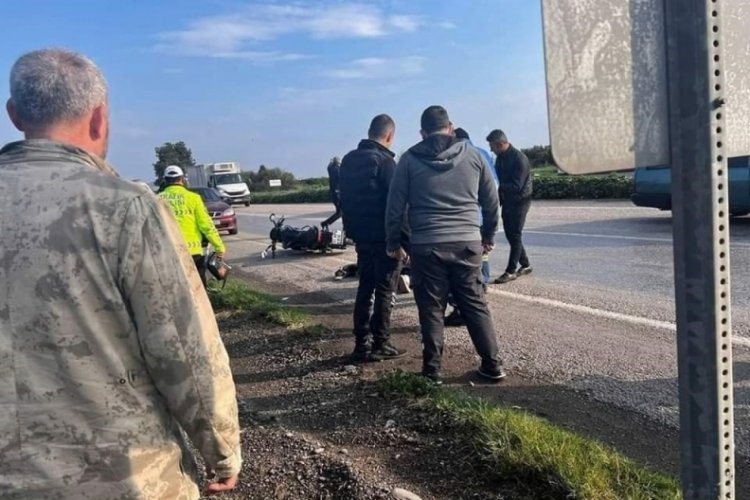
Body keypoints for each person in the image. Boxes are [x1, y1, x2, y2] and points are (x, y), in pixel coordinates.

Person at [0, 49, 240, 498]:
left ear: (14, 115)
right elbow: (184, 351)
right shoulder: (124, 208)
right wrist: (221, 449)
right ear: (99, 119)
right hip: (121, 477)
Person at [385, 105, 505, 384]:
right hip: (467, 243)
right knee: (475, 304)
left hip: (427, 246)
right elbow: (491, 201)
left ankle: (432, 371)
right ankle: (492, 365)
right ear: (450, 127)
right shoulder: (474, 155)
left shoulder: (409, 160)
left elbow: (395, 207)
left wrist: (394, 242)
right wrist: (488, 236)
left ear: (422, 133)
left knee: (431, 308)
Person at [339, 114, 407, 362]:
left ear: (369, 132)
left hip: (361, 236)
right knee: (385, 290)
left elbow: (342, 200)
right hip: (385, 238)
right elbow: (397, 206)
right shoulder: (386, 162)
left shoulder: (348, 160)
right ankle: (381, 342)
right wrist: (402, 241)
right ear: (389, 136)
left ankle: (361, 344)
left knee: (365, 287)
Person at [444, 127, 499, 327]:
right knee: (482, 256)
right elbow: (494, 187)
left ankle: (462, 308)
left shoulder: (456, 155)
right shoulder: (483, 154)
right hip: (482, 218)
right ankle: (482, 287)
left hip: (464, 221)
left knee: (461, 270)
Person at [159, 165, 227, 287]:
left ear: (165, 180)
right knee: (198, 289)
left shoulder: (156, 200)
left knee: (174, 289)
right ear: (183, 180)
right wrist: (219, 247)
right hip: (193, 253)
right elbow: (207, 225)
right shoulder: (194, 198)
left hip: (168, 253)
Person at [486, 129, 533, 283]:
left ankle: (511, 270)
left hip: (520, 201)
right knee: (510, 234)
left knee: (515, 234)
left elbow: (517, 185)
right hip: (507, 201)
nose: (491, 149)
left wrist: (497, 186)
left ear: (500, 144)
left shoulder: (519, 159)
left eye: (492, 146)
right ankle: (525, 264)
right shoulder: (500, 158)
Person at [321, 156, 342, 228]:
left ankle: (326, 223)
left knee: (341, 212)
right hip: (337, 193)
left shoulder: (330, 169)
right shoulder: (337, 170)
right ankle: (325, 223)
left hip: (334, 193)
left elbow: (328, 167)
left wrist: (331, 162)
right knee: (340, 212)